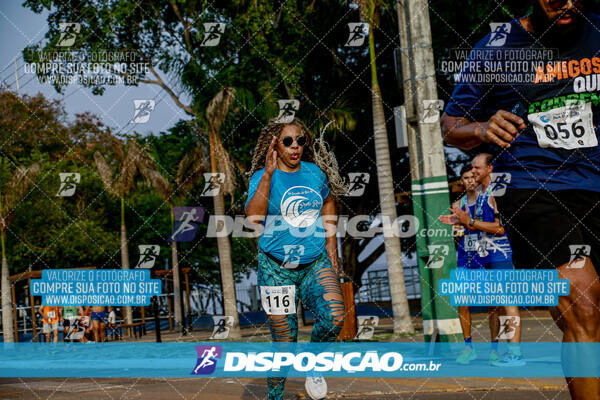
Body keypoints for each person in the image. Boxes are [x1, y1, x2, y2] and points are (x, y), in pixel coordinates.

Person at [441, 1, 600, 397]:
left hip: (595, 182)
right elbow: (451, 124)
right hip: (535, 185)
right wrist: (482, 128)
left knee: (587, 323)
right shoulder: (498, 49)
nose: (565, 4)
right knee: (582, 298)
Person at [245, 118, 347, 400]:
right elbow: (253, 218)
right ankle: (275, 396)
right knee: (284, 345)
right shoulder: (261, 178)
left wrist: (330, 244)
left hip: (314, 262)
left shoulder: (314, 173)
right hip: (275, 268)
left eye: (300, 141)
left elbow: (328, 201)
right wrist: (266, 175)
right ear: (275, 145)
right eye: (288, 141)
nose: (295, 147)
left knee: (335, 318)